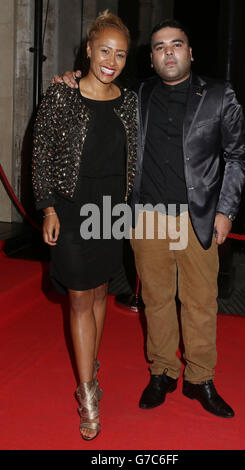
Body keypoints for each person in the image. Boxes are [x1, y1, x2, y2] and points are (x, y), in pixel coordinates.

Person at [57, 18, 245, 419]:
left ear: (190, 52)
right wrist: (72, 78)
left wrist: (226, 210)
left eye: (176, 45)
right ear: (152, 57)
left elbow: (236, 157)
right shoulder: (137, 95)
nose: (168, 52)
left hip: (196, 219)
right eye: (160, 47)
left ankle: (200, 378)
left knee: (199, 303)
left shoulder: (218, 95)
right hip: (147, 217)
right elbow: (98, 91)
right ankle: (162, 371)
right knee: (156, 300)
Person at [32, 10, 137, 440]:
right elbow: (40, 153)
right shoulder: (61, 95)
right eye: (105, 50)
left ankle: (89, 357)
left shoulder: (129, 101)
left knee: (99, 291)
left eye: (121, 55)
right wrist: (48, 209)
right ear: (89, 50)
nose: (111, 60)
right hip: (72, 209)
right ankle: (88, 390)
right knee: (78, 296)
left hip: (112, 211)